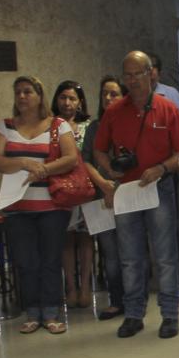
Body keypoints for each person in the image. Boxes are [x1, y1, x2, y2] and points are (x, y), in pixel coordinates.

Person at [93, 51, 179, 339]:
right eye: (128, 75)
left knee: (165, 256)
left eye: (138, 74)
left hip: (158, 187)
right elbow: (98, 150)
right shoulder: (114, 111)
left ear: (151, 74)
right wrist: (110, 169)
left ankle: (170, 314)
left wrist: (161, 168)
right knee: (130, 257)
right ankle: (134, 314)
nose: (132, 80)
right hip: (127, 191)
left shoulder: (167, 108)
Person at [0, 76, 78, 334]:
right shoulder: (4, 126)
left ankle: (52, 312)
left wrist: (42, 169)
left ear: (40, 96)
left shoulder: (58, 125)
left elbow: (70, 159)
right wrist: (22, 162)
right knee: (26, 261)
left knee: (50, 259)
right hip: (16, 207)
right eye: (18, 92)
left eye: (27, 92)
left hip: (52, 207)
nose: (22, 97)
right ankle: (32, 313)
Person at [82, 76, 127, 320]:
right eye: (105, 94)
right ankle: (117, 301)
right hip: (101, 198)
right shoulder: (95, 127)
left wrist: (117, 188)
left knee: (131, 253)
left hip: (128, 196)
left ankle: (134, 299)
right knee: (110, 254)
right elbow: (85, 159)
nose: (109, 98)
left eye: (114, 93)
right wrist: (103, 185)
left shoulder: (131, 123)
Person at [51, 80, 94, 309]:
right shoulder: (51, 126)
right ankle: (71, 287)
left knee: (86, 239)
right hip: (62, 191)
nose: (67, 102)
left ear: (80, 102)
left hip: (86, 190)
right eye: (62, 97)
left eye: (72, 98)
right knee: (66, 241)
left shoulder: (89, 125)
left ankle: (86, 286)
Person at [145, 51, 179, 122]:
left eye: (153, 67)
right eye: (146, 67)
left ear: (159, 73)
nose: (150, 71)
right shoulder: (135, 95)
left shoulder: (172, 93)